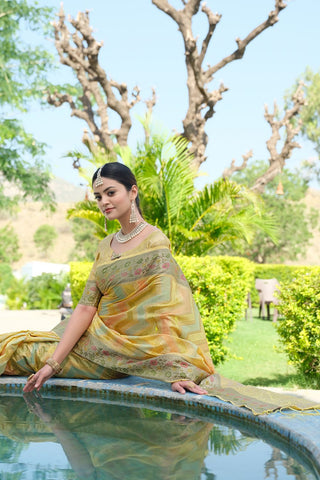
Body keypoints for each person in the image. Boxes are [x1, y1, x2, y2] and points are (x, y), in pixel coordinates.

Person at [0, 163, 319, 415]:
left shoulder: (154, 241)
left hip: (116, 354)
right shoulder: (104, 245)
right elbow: (85, 307)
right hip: (83, 338)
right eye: (98, 197)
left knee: (16, 353)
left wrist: (175, 370)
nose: (104, 202)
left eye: (111, 193)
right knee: (15, 344)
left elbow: (166, 312)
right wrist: (54, 363)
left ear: (133, 191)